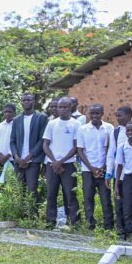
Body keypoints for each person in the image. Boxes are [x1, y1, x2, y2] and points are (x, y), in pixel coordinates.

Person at [42, 97, 81, 228]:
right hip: (52, 164)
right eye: (60, 107)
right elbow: (45, 145)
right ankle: (50, 221)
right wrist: (55, 161)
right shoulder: (52, 123)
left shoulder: (76, 124)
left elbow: (76, 147)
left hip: (69, 164)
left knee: (70, 194)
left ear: (70, 108)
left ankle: (73, 222)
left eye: (65, 107)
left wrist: (62, 161)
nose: (62, 110)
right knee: (51, 193)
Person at [75, 103, 114, 230]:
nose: (94, 116)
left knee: (106, 199)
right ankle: (91, 224)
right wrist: (92, 169)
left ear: (102, 114)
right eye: (92, 113)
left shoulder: (109, 128)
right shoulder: (82, 129)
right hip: (88, 170)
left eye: (97, 113)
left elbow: (110, 149)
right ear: (89, 114)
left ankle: (108, 226)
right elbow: (80, 151)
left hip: (104, 169)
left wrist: (103, 167)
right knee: (88, 198)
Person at [10, 92, 48, 213]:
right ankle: (20, 214)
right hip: (19, 161)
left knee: (32, 189)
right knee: (19, 189)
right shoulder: (17, 120)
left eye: (29, 100)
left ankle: (32, 215)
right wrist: (16, 157)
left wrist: (29, 156)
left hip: (34, 161)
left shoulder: (41, 118)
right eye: (24, 100)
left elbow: (42, 139)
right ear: (21, 102)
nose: (26, 102)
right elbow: (12, 141)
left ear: (33, 101)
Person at [0, 104, 15, 181]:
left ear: (14, 113)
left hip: (11, 159)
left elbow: (18, 143)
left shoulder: (16, 126)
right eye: (5, 112)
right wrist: (0, 154)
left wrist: (8, 155)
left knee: (10, 183)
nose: (7, 114)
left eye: (10, 112)